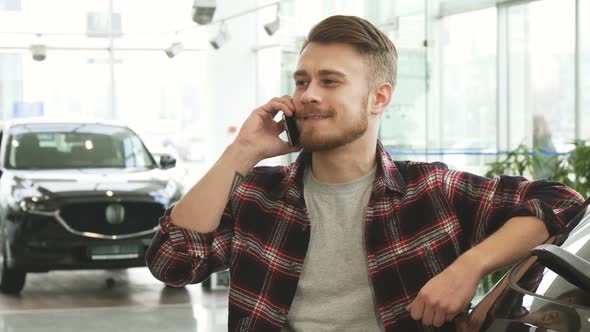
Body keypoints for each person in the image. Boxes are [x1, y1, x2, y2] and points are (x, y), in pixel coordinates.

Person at [145, 15, 585, 331]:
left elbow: (562, 203)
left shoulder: (431, 190)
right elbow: (173, 263)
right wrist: (240, 152)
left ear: (379, 98)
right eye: (301, 81)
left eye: (330, 81)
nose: (308, 95)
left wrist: (470, 269)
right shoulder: (259, 196)